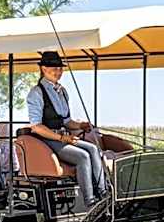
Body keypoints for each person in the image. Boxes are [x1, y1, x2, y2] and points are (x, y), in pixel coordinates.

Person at [26, 51, 106, 207]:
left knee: (94, 150)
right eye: (54, 68)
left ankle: (103, 194)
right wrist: (62, 138)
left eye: (60, 68)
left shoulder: (62, 91)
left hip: (62, 138)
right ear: (43, 69)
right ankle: (90, 201)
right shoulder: (36, 93)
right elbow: (36, 127)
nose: (58, 72)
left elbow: (67, 121)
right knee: (82, 156)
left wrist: (81, 125)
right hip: (46, 141)